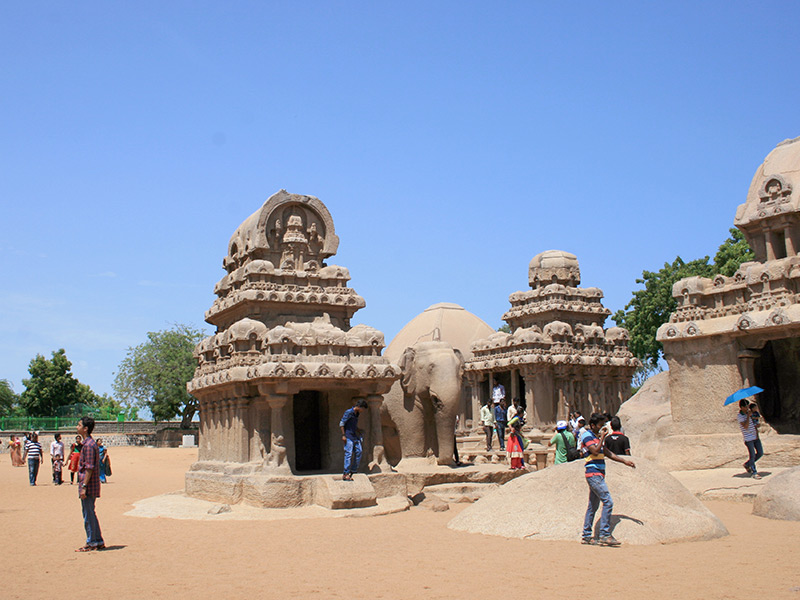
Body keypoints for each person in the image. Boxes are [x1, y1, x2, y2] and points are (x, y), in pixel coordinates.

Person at [580, 413, 636, 546]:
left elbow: (607, 452)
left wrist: (624, 461)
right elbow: (595, 451)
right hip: (593, 474)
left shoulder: (595, 437)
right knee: (608, 501)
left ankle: (587, 535)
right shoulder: (587, 436)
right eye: (599, 425)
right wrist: (602, 437)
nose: (601, 428)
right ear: (592, 425)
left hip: (598, 473)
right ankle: (604, 534)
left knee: (592, 506)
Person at [76, 416, 104, 552]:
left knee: (88, 513)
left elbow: (89, 467)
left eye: (79, 425)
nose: (77, 427)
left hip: (88, 485)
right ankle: (97, 540)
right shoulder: (91, 444)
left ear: (85, 428)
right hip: (91, 484)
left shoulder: (88, 445)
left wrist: (84, 487)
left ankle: (92, 541)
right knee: (90, 513)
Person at [340, 399, 368, 481]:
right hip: (348, 436)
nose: (363, 411)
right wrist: (343, 435)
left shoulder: (357, 414)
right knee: (348, 454)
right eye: (363, 409)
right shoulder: (349, 412)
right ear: (359, 407)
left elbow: (352, 425)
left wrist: (358, 430)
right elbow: (342, 423)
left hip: (354, 436)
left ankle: (353, 471)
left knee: (359, 451)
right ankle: (346, 473)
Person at [738, 399, 763, 479]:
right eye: (745, 407)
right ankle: (754, 472)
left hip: (755, 437)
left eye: (748, 406)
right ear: (741, 407)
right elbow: (745, 426)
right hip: (748, 439)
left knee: (760, 453)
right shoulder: (740, 416)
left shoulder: (750, 413)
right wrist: (748, 417)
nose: (747, 408)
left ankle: (748, 464)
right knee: (752, 455)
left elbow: (754, 424)